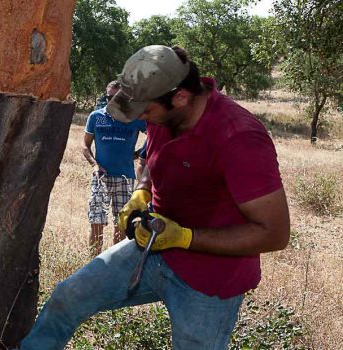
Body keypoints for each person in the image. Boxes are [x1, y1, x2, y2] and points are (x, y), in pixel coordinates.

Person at [20, 45, 290, 350]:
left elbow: (274, 234)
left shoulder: (238, 137)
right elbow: (151, 158)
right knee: (68, 297)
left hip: (210, 278)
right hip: (151, 249)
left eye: (146, 112)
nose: (143, 118)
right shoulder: (165, 113)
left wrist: (184, 237)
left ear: (180, 97)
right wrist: (141, 191)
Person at [82, 80, 146, 256]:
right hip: (100, 176)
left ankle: (112, 262)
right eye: (109, 96)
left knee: (122, 222)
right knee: (97, 221)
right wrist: (95, 165)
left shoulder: (135, 119)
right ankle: (94, 264)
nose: (111, 100)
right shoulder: (96, 116)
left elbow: (155, 137)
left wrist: (139, 155)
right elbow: (85, 146)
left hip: (124, 177)